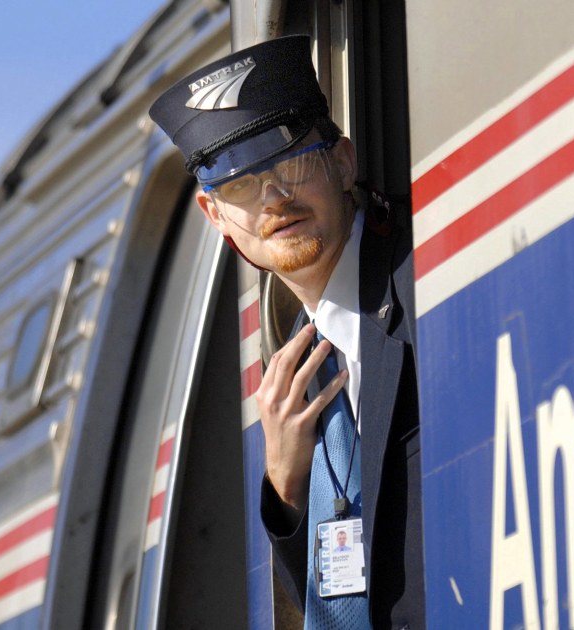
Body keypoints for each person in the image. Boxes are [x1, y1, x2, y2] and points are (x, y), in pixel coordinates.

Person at [149, 35, 424, 629]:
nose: (273, 198)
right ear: (217, 216)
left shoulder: (427, 281)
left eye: (291, 163)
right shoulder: (295, 377)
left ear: (342, 161)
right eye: (240, 185)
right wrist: (287, 485)